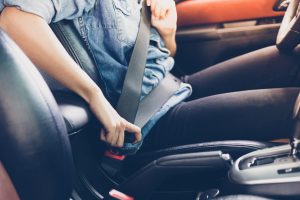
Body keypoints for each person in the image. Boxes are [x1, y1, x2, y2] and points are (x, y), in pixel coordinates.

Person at [0, 0, 300, 154]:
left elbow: (162, 55)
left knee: (288, 58)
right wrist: (96, 98)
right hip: (147, 120)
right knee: (291, 106)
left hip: (173, 88)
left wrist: (167, 31)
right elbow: (14, 19)